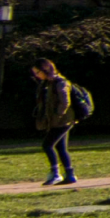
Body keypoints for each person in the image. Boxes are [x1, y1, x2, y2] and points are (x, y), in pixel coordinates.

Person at [32, 57, 77, 185]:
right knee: (60, 147)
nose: (36, 75)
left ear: (45, 70)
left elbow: (65, 102)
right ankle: (70, 175)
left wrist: (57, 116)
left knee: (47, 145)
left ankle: (55, 174)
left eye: (37, 72)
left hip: (63, 121)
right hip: (58, 121)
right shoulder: (48, 83)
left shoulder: (60, 82)